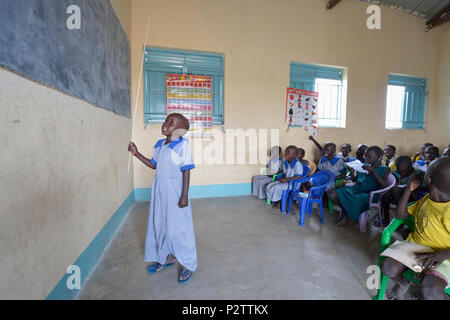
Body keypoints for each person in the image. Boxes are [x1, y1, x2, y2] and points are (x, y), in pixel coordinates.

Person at [128, 113, 197, 284]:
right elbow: (154, 165)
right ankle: (168, 257)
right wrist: (136, 154)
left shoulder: (183, 145)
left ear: (180, 130)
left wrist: (184, 195)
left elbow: (186, 170)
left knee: (179, 228)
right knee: (161, 225)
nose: (166, 124)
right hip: (159, 190)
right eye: (166, 120)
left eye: (171, 122)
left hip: (175, 191)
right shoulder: (160, 145)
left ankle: (188, 263)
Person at [381, 158, 450, 300]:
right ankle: (404, 283)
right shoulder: (427, 198)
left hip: (443, 257)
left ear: (428, 180)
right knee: (388, 267)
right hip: (416, 247)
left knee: (430, 291)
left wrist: (444, 254)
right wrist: (408, 190)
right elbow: (401, 215)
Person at [331, 146, 390, 226]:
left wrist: (373, 171)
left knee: (355, 198)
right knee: (333, 195)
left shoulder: (385, 169)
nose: (366, 158)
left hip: (369, 194)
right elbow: (355, 180)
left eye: (369, 156)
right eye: (365, 155)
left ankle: (346, 216)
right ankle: (348, 212)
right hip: (356, 188)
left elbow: (385, 186)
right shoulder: (364, 165)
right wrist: (352, 172)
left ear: (379, 157)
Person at [378, 156, 422, 227]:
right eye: (399, 171)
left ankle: (401, 217)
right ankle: (386, 218)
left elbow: (422, 187)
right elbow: (391, 183)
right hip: (398, 194)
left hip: (412, 196)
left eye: (404, 171)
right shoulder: (395, 173)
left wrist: (408, 188)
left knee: (395, 190)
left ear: (410, 167)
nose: (402, 173)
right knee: (386, 193)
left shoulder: (418, 173)